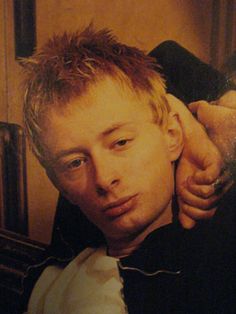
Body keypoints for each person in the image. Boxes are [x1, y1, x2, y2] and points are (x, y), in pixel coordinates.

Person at [22, 26, 235, 313]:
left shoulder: (214, 260)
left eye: (120, 142)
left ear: (172, 134)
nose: (104, 179)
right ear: (59, 184)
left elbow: (167, 54)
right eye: (76, 162)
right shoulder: (58, 267)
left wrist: (198, 127)